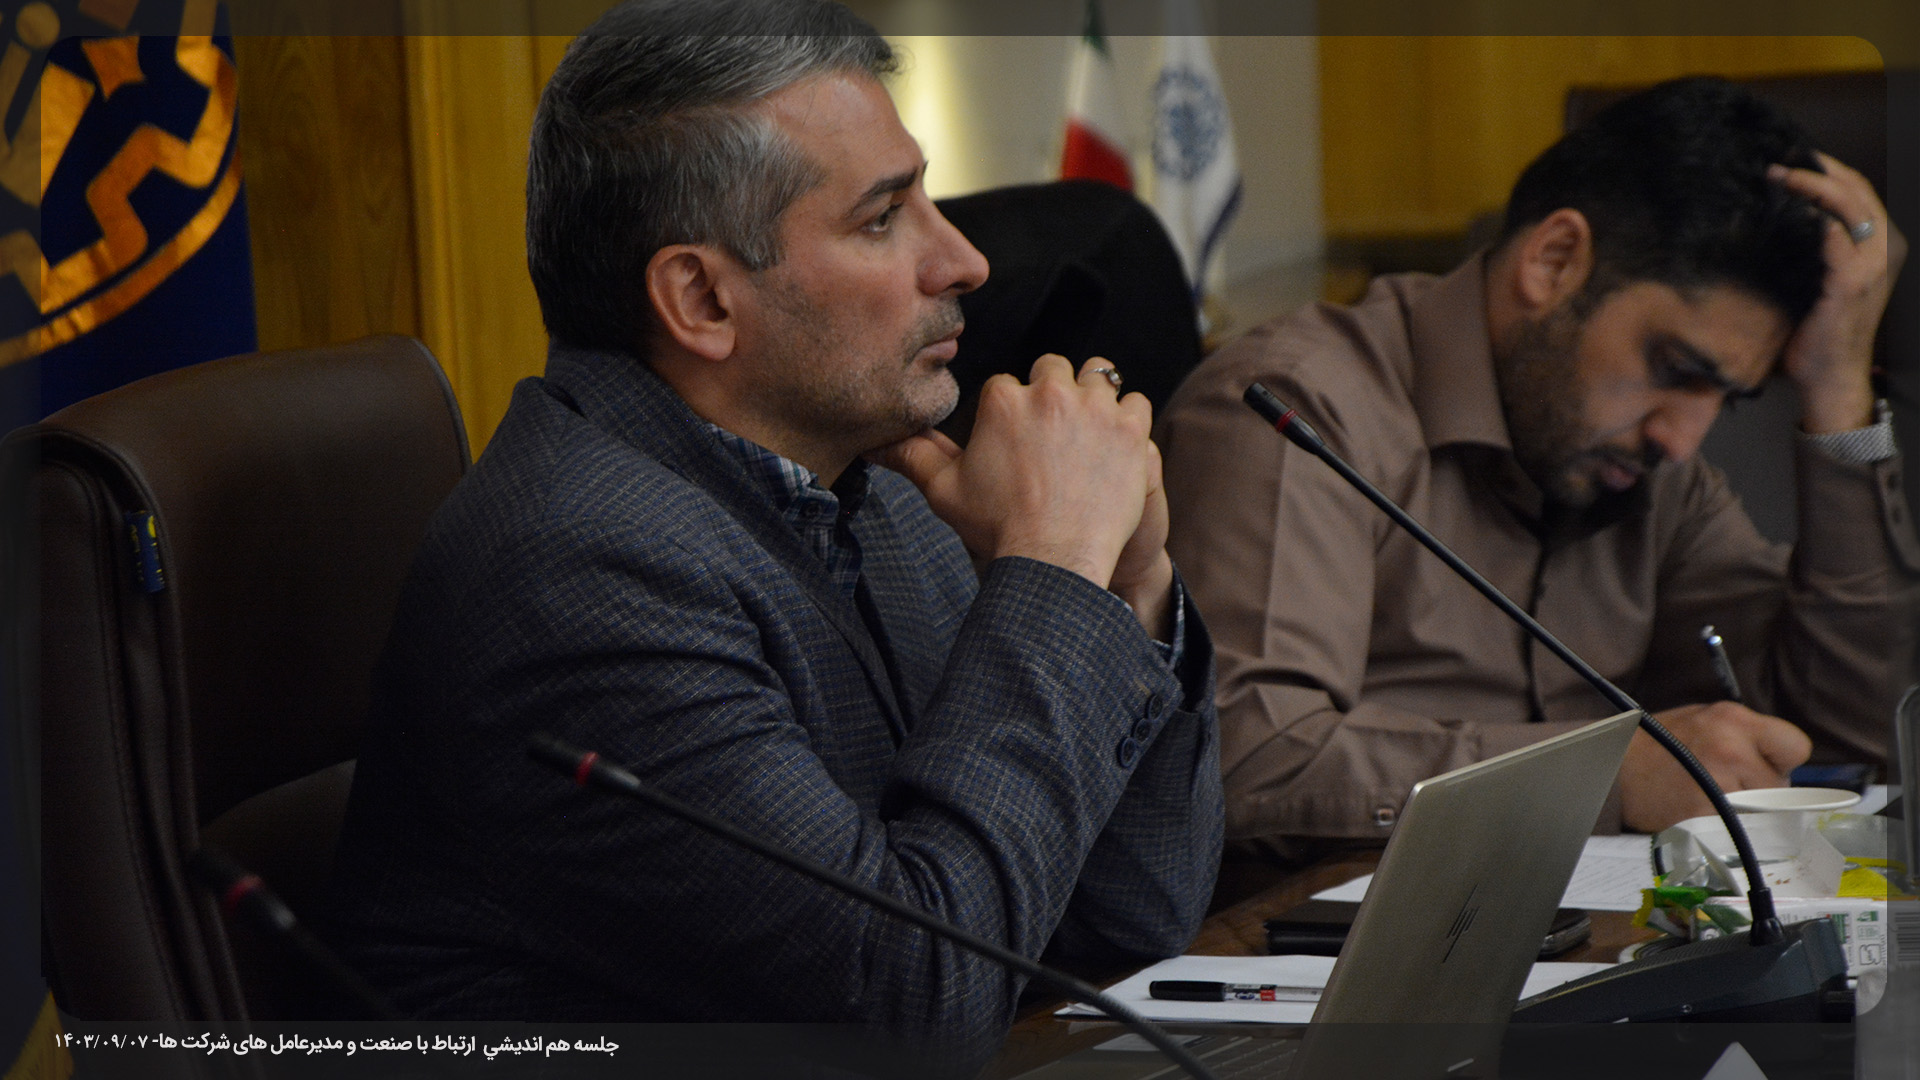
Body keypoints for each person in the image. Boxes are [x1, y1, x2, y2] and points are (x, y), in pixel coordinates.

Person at [328, 0, 1221, 1063]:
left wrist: (1127, 582)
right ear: (702, 299)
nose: (965, 261)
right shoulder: (580, 571)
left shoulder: (879, 491)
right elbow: (907, 1013)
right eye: (883, 219)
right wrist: (1056, 569)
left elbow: (1129, 925)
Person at [1158, 77, 1917, 860]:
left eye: (1725, 399)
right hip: (1307, 927)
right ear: (1555, 261)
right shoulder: (1300, 407)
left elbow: (1852, 744)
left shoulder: (1655, 473)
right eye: (1673, 367)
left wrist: (1840, 394)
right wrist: (1599, 776)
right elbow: (1240, 758)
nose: (1683, 439)